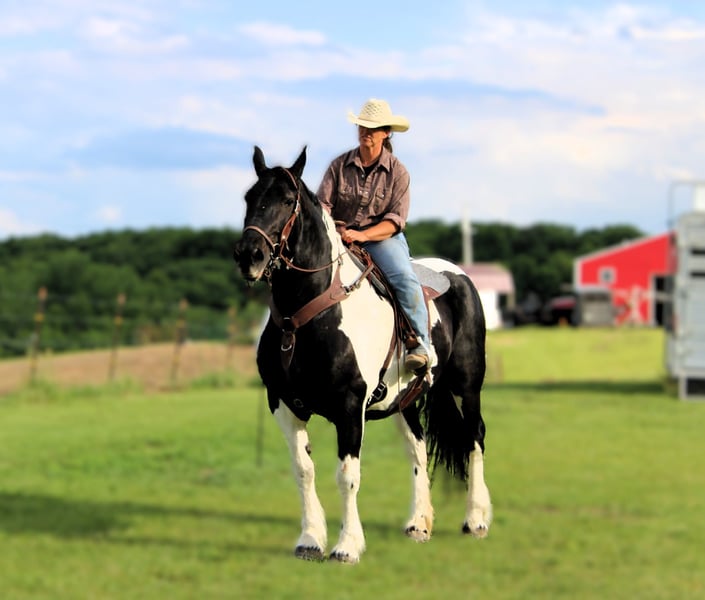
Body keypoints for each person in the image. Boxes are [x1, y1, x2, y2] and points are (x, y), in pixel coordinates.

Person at [317, 98, 429, 372]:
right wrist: (335, 232)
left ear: (386, 133)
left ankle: (420, 344)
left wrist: (363, 236)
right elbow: (323, 206)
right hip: (339, 236)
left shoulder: (398, 173)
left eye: (373, 127)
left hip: (382, 239)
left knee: (404, 279)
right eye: (362, 126)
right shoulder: (338, 166)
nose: (366, 131)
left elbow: (395, 221)